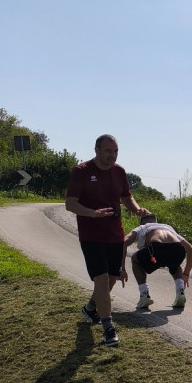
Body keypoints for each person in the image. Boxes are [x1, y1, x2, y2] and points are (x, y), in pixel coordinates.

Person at [65, 134, 151, 347]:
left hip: (115, 235)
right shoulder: (81, 172)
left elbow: (126, 196)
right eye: (108, 151)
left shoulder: (119, 171)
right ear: (97, 150)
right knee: (102, 280)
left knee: (111, 280)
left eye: (115, 151)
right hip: (91, 236)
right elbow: (70, 204)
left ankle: (90, 307)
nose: (112, 156)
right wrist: (92, 213)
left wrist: (136, 209)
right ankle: (108, 328)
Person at [122, 213, 192, 309]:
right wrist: (186, 274)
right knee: (175, 264)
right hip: (177, 248)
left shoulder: (142, 227)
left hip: (157, 248)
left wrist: (122, 268)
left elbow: (123, 243)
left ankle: (144, 295)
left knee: (135, 259)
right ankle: (180, 292)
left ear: (141, 222)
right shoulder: (167, 227)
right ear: (156, 221)